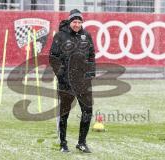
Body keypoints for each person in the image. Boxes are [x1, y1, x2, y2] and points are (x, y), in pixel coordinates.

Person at [49, 9, 96, 153]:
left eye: (79, 22)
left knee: (87, 110)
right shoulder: (60, 36)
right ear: (70, 22)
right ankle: (63, 143)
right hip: (66, 82)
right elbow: (53, 58)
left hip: (83, 82)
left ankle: (82, 143)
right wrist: (62, 76)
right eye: (74, 22)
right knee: (65, 113)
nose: (77, 24)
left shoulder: (86, 36)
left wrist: (90, 74)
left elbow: (91, 56)